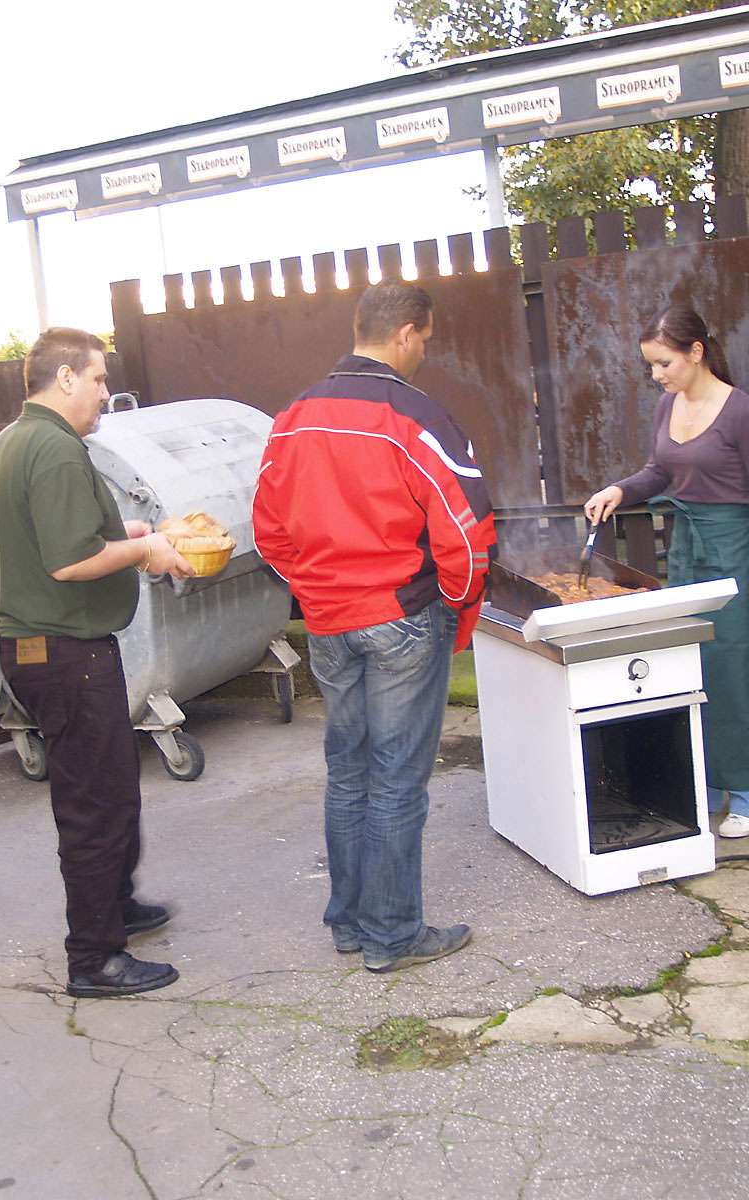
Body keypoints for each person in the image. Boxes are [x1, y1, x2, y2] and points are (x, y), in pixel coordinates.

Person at [252, 282, 496, 972]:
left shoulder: (292, 419)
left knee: (348, 771)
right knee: (394, 778)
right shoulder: (415, 416)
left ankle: (351, 923)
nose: (425, 351)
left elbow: (267, 530)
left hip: (329, 620)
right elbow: (466, 532)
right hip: (402, 616)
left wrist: (315, 589)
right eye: (426, 339)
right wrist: (458, 606)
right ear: (407, 334)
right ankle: (392, 935)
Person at [0, 327, 194, 998]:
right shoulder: (53, 448)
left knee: (112, 788)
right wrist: (148, 550)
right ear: (66, 377)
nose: (105, 393)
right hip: (64, 651)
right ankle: (95, 958)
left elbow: (53, 537)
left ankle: (116, 907)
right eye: (98, 379)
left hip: (48, 648)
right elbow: (71, 562)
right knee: (94, 803)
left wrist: (123, 534)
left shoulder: (15, 440)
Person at [584, 304, 749, 838]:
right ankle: (707, 782)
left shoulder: (741, 412)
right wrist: (619, 490)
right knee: (694, 666)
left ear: (696, 352)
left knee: (742, 668)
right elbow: (659, 471)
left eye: (663, 363)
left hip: (737, 552)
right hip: (688, 550)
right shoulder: (668, 406)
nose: (656, 375)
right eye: (651, 365)